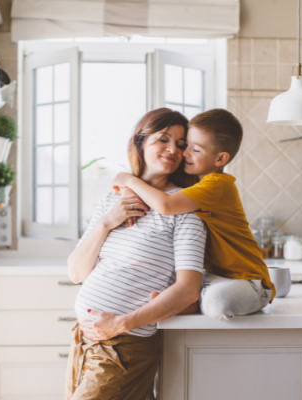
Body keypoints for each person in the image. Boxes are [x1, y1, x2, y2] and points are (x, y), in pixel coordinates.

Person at [66, 108, 207, 400]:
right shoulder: (112, 200)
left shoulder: (185, 213)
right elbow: (76, 273)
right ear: (140, 142)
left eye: (181, 145)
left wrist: (119, 324)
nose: (172, 149)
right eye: (163, 139)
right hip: (83, 339)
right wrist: (108, 221)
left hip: (123, 346)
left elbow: (189, 289)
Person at [112, 108, 275, 321]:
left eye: (195, 149)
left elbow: (166, 205)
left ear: (220, 158)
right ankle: (189, 301)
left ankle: (191, 302)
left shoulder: (217, 185)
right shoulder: (195, 187)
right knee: (189, 288)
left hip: (250, 282)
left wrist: (128, 179)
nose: (184, 153)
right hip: (213, 278)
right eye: (185, 145)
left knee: (217, 303)